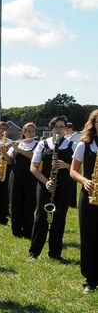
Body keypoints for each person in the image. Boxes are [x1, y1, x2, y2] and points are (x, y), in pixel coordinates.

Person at [29, 116, 75, 261]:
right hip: (45, 186)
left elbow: (77, 168)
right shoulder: (43, 144)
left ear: (65, 129)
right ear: (51, 129)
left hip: (64, 187)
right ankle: (34, 252)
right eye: (56, 126)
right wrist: (46, 181)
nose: (59, 129)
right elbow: (33, 167)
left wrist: (66, 165)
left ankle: (55, 254)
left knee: (59, 219)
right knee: (40, 218)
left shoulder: (72, 145)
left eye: (62, 126)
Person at [69, 109, 98, 293]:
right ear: (93, 124)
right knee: (89, 237)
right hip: (89, 195)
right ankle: (90, 279)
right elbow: (73, 170)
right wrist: (84, 180)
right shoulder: (84, 145)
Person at [8, 122, 38, 238]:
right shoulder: (17, 144)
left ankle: (28, 229)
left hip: (31, 177)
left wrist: (17, 149)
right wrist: (4, 150)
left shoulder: (38, 144)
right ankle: (16, 230)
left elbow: (33, 156)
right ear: (24, 133)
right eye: (28, 131)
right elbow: (10, 161)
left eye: (33, 131)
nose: (31, 133)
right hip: (16, 177)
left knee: (29, 203)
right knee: (15, 202)